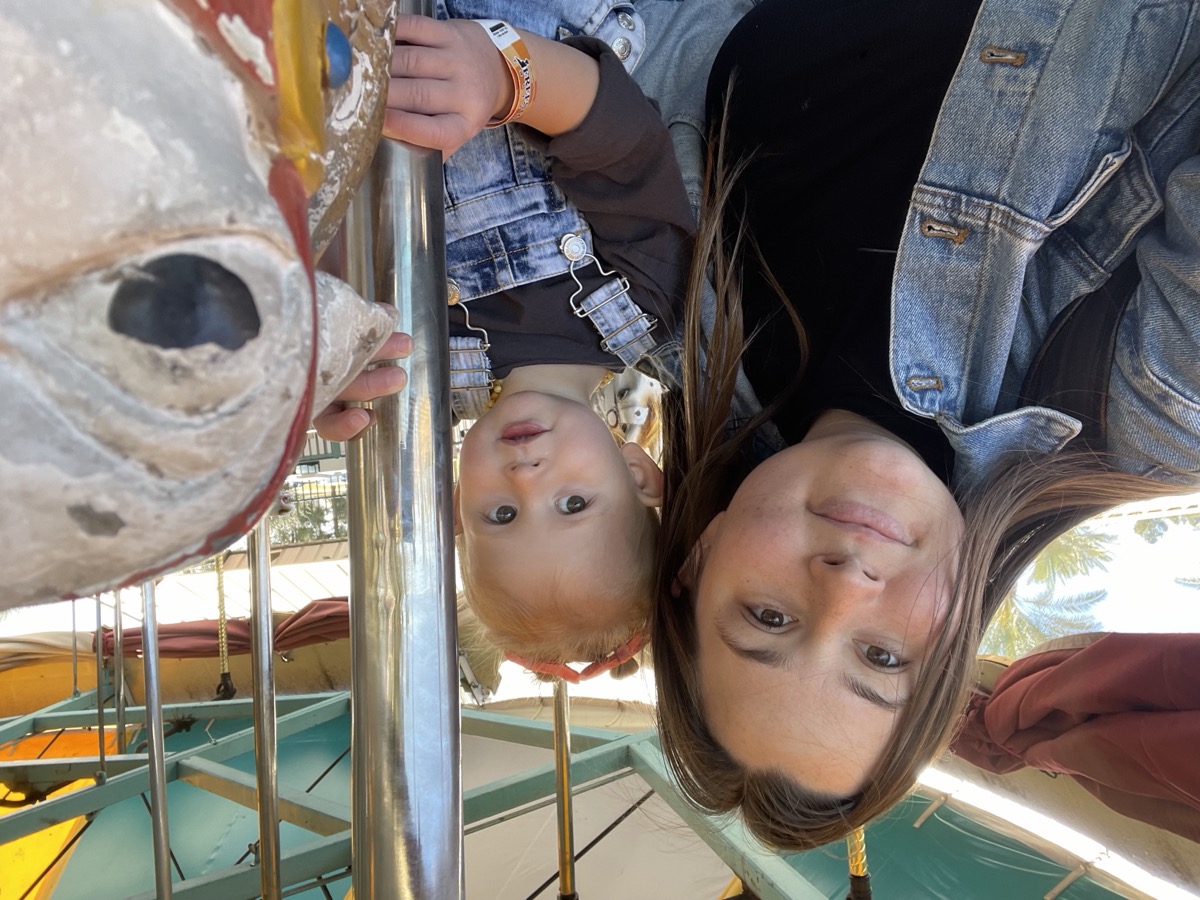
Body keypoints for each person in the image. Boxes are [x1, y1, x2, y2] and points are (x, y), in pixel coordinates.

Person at [653, 0, 1200, 850]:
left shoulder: (658, 302)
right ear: (949, 653)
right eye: (881, 659)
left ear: (695, 560)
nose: (843, 587)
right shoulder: (1159, 409)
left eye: (767, 618)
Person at [320, 2, 747, 676]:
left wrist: (324, 345)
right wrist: (501, 74)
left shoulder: (419, 371)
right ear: (636, 471)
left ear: (456, 509)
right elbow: (622, 142)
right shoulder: (645, 303)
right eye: (572, 505)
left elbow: (342, 236)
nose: (526, 480)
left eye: (499, 515)